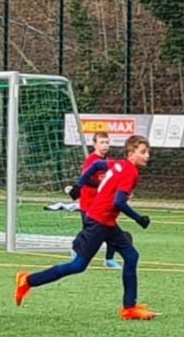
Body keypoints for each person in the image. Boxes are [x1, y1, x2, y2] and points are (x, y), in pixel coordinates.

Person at [16, 136, 155, 319]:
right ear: (131, 154)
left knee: (131, 256)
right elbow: (119, 201)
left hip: (106, 222)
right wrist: (139, 219)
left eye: (148, 152)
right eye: (143, 152)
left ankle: (129, 308)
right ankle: (27, 280)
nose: (147, 156)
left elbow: (97, 167)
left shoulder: (119, 164)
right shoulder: (130, 172)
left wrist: (78, 186)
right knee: (78, 265)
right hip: (99, 222)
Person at [67, 130, 121, 269]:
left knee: (111, 228)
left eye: (107, 142)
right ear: (94, 145)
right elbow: (87, 180)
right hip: (88, 203)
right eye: (102, 142)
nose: (105, 145)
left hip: (102, 204)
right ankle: (76, 249)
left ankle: (109, 259)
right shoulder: (91, 160)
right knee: (89, 231)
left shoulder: (106, 162)